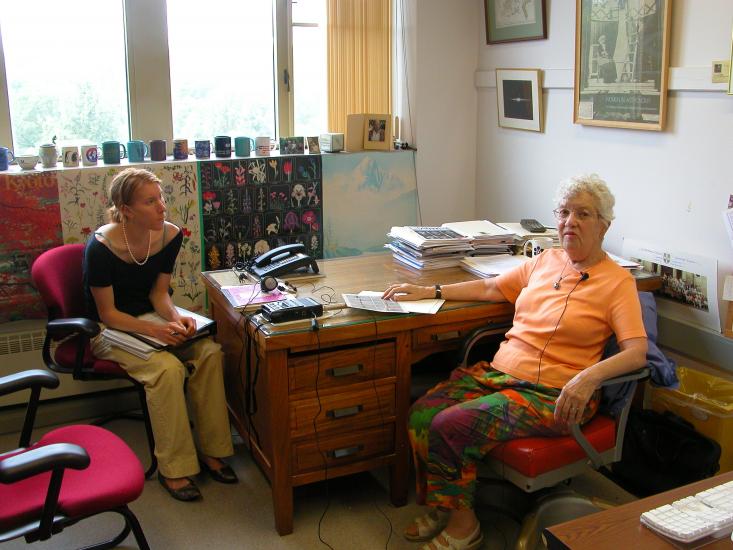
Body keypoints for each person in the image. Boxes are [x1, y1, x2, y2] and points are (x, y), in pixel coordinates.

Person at [382, 174, 648, 550]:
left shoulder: (617, 283)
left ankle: (464, 528)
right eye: (564, 212)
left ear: (604, 225)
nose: (570, 222)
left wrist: (588, 378)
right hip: (500, 376)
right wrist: (431, 290)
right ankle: (448, 506)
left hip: (555, 394)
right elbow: (492, 287)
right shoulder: (546, 261)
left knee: (452, 425)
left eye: (583, 214)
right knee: (423, 413)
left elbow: (636, 351)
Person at [84, 168, 237, 502]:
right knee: (167, 370)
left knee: (209, 353)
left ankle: (213, 451)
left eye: (162, 198)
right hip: (110, 329)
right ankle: (176, 468)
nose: (162, 207)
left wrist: (176, 319)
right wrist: (156, 330)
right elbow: (107, 314)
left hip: (150, 317)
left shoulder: (169, 235)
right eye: (150, 202)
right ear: (126, 210)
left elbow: (159, 295)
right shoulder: (100, 248)